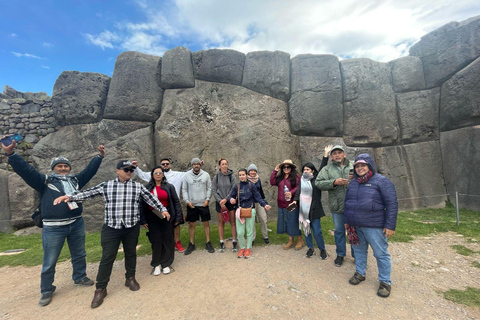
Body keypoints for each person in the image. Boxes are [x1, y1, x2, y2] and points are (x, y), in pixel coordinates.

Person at [1, 137, 104, 307]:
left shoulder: (75, 181)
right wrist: (11, 154)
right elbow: (26, 171)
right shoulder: (44, 181)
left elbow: (89, 171)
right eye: (59, 166)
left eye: (65, 166)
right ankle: (47, 290)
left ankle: (79, 277)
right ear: (53, 168)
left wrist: (99, 157)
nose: (63, 168)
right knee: (50, 260)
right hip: (54, 228)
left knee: (79, 254)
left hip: (76, 223)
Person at [53, 160, 169, 308]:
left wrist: (163, 209)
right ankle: (101, 288)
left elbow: (151, 199)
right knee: (108, 257)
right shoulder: (107, 185)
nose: (129, 172)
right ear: (117, 171)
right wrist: (70, 196)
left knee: (131, 253)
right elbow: (88, 193)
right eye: (126, 169)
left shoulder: (137, 186)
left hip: (131, 226)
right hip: (111, 228)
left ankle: (130, 278)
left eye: (131, 170)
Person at [344, 154, 398, 298]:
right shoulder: (353, 182)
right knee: (359, 251)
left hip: (374, 225)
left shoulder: (381, 181)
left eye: (363, 165)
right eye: (357, 166)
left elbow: (392, 204)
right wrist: (347, 220)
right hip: (355, 225)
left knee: (380, 253)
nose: (360, 168)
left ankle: (385, 282)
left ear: (370, 166)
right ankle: (360, 273)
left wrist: (390, 225)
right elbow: (347, 203)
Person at [133, 158, 186, 253]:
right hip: (155, 209)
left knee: (176, 225)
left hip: (172, 204)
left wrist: (198, 165)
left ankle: (177, 242)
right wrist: (136, 167)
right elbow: (141, 174)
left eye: (167, 163)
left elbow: (189, 173)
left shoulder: (178, 175)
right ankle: (162, 247)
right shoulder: (155, 174)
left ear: (170, 165)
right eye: (163, 164)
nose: (165, 165)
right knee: (160, 229)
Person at [139, 166, 183, 276]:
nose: (158, 174)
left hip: (167, 216)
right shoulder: (146, 187)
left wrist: (178, 217)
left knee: (168, 239)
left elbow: (176, 202)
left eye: (160, 172)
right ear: (152, 175)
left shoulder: (169, 187)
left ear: (163, 174)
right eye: (156, 173)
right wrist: (143, 219)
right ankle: (156, 263)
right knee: (156, 240)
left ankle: (166, 263)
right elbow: (141, 204)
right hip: (152, 217)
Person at [315, 145, 353, 267]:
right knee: (339, 231)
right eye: (334, 153)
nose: (337, 155)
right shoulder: (327, 169)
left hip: (354, 206)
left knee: (355, 231)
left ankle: (357, 255)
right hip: (336, 206)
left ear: (344, 154)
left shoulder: (353, 165)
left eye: (339, 152)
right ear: (331, 156)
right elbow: (318, 183)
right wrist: (333, 182)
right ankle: (340, 254)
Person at [293, 145, 332, 259]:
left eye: (308, 169)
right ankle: (310, 248)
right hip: (304, 209)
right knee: (307, 231)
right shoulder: (302, 181)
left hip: (315, 209)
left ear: (313, 171)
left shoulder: (317, 179)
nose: (305, 171)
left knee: (317, 231)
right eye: (304, 169)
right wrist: (295, 201)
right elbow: (298, 192)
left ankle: (322, 249)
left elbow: (323, 166)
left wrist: (326, 155)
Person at [227, 169, 271, 258]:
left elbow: (258, 197)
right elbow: (230, 196)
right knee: (240, 232)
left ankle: (248, 249)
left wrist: (264, 205)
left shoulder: (252, 185)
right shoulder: (237, 186)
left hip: (250, 210)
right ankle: (242, 248)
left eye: (243, 174)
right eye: (240, 175)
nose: (241, 176)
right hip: (240, 211)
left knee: (249, 232)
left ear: (247, 175)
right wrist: (231, 199)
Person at [182, 157, 214, 255]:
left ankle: (208, 242)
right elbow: (184, 189)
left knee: (206, 224)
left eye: (198, 164)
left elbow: (209, 187)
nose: (196, 165)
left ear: (200, 165)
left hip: (203, 203)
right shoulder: (187, 175)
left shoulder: (206, 175)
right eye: (194, 164)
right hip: (192, 204)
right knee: (191, 224)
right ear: (192, 165)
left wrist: (207, 199)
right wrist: (187, 201)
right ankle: (191, 244)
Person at [270, 159, 302, 250]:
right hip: (281, 203)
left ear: (291, 168)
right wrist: (275, 171)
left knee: (293, 221)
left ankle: (300, 240)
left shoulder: (296, 176)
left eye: (288, 167)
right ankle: (291, 240)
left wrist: (291, 192)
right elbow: (272, 182)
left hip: (292, 203)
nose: (286, 168)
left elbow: (299, 187)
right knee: (286, 221)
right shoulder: (280, 177)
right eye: (284, 167)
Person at [212, 158, 238, 252]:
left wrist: (226, 199)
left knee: (232, 221)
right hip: (220, 203)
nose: (224, 166)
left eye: (226, 164)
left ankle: (234, 241)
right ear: (219, 166)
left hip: (229, 201)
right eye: (222, 164)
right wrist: (220, 201)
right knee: (221, 222)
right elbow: (214, 190)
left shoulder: (232, 176)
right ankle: (221, 241)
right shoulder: (216, 177)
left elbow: (233, 188)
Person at [246, 163, 269, 244]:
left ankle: (265, 236)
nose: (252, 172)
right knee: (251, 221)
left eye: (254, 170)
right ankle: (252, 238)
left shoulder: (258, 179)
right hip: (250, 203)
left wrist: (264, 201)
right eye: (251, 170)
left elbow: (261, 191)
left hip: (259, 202)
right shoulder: (245, 180)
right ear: (248, 172)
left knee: (263, 218)